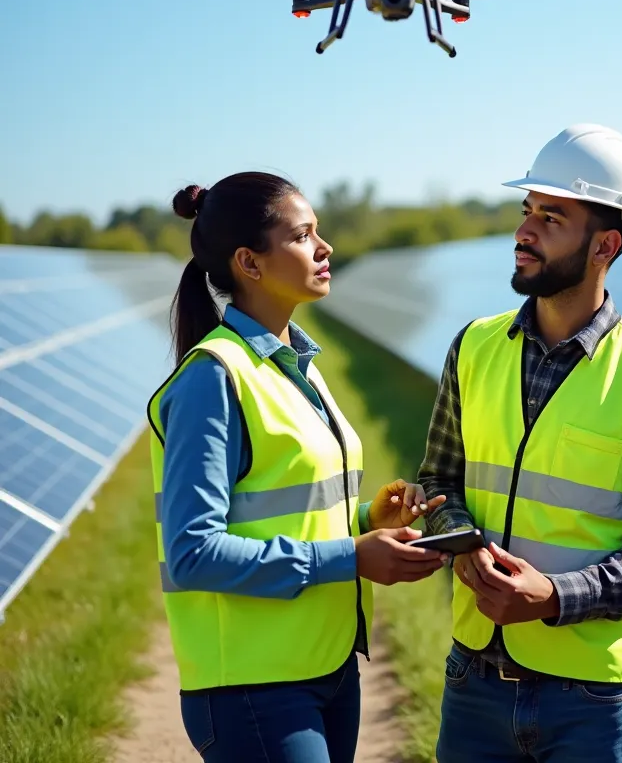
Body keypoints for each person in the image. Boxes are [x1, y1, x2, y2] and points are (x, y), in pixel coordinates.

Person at [418, 123, 622, 763]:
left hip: (593, 702)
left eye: (551, 217)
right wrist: (461, 543)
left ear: (606, 243)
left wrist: (556, 597)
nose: (524, 231)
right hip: (474, 679)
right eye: (527, 212)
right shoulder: (473, 347)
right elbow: (438, 478)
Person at [147, 171, 448, 763]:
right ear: (250, 264)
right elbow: (192, 550)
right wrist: (353, 557)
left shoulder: (300, 365)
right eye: (303, 235)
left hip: (329, 665)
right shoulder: (214, 378)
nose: (325, 246)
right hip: (252, 684)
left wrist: (364, 518)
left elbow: (282, 506)